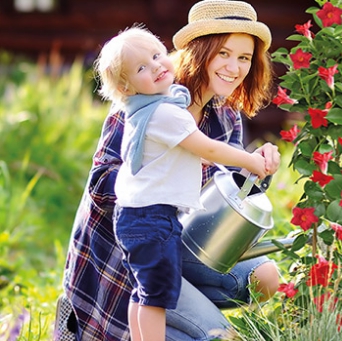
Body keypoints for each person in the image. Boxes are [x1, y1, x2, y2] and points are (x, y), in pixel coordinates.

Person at [60, 1, 280, 340]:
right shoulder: (147, 102)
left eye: (244, 58)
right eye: (223, 53)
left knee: (265, 277)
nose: (234, 68)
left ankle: (186, 311)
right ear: (200, 50)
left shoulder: (224, 115)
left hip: (180, 241)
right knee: (217, 334)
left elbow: (230, 192)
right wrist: (179, 157)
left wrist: (259, 166)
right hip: (130, 254)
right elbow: (101, 186)